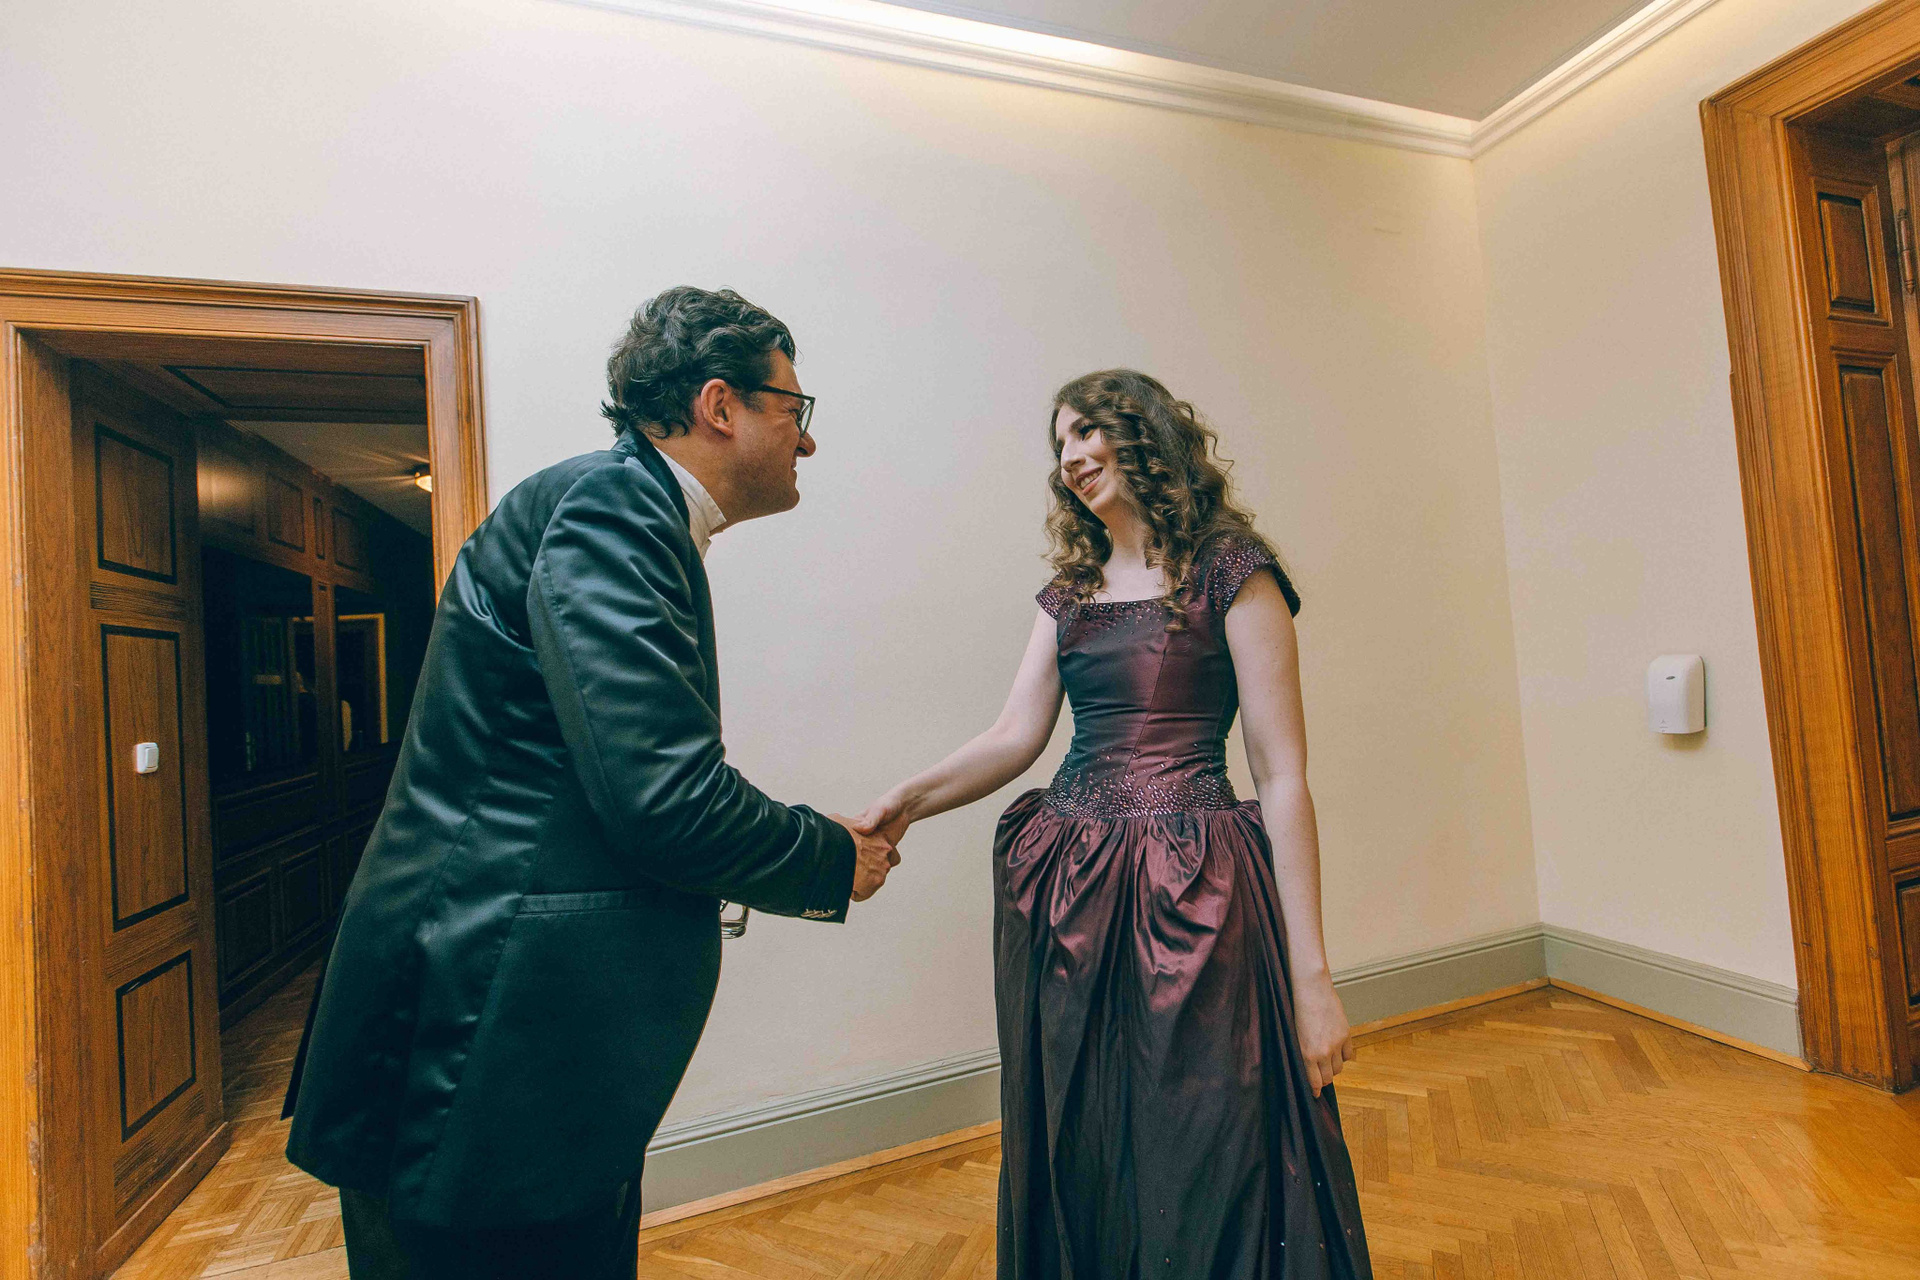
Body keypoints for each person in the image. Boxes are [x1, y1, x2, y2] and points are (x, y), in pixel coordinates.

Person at [283, 286, 901, 1280]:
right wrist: (830, 854)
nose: (808, 440)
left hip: (508, 1038)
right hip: (482, 1037)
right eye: (795, 409)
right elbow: (665, 798)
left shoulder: (622, 507)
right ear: (719, 404)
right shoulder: (613, 509)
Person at [856, 370, 1373, 1278]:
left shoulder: (1232, 568)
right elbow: (1015, 736)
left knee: (1207, 1125)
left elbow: (1282, 775)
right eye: (1060, 441)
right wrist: (906, 803)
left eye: (1088, 430)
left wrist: (1313, 979)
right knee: (1083, 1123)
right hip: (1070, 894)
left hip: (1196, 890)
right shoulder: (1071, 591)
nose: (1072, 455)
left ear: (1147, 434)